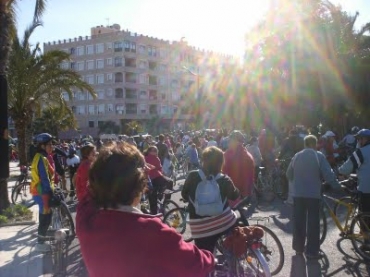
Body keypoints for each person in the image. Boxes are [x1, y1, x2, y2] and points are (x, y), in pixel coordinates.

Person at [77, 143, 215, 277]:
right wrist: (213, 258)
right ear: (139, 185)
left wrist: (133, 174)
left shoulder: (85, 217)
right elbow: (197, 263)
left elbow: (91, 191)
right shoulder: (152, 231)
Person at [286, 135, 340, 259]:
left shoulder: (296, 156)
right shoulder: (318, 156)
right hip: (313, 196)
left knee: (299, 222)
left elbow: (289, 174)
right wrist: (337, 186)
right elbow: (329, 175)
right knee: (313, 224)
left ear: (305, 144)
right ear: (314, 144)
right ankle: (311, 252)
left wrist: (299, 180)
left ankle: (298, 249)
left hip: (298, 195)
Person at [182, 146, 239, 253]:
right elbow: (234, 196)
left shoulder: (192, 176)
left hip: (201, 229)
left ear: (203, 160)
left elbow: (184, 195)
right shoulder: (224, 179)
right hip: (224, 222)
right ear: (221, 162)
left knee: (204, 257)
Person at [338, 129, 370, 251]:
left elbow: (345, 168)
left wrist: (340, 172)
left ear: (365, 139)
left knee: (364, 216)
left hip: (366, 189)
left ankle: (367, 243)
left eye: (360, 139)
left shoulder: (361, 152)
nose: (359, 141)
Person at [30, 133, 55, 252]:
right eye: (49, 144)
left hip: (40, 191)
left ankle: (42, 239)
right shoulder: (41, 158)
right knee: (45, 217)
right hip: (41, 192)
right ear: (42, 146)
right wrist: (49, 191)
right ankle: (40, 243)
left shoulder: (40, 157)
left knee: (46, 215)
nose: (52, 147)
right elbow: (44, 177)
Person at [223, 131, 255, 202]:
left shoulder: (228, 154)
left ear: (235, 141)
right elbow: (251, 177)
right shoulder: (248, 155)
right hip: (244, 192)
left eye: (230, 140)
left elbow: (223, 172)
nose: (228, 143)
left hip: (231, 192)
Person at [144, 146, 174, 215]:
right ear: (149, 151)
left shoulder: (153, 158)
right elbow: (159, 169)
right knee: (169, 182)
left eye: (156, 150)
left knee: (170, 182)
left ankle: (163, 203)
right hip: (152, 178)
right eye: (153, 150)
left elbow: (160, 169)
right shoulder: (148, 158)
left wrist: (163, 174)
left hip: (153, 178)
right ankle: (163, 203)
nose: (155, 152)